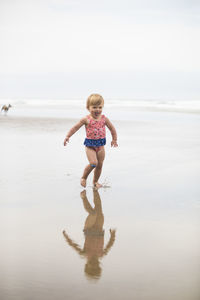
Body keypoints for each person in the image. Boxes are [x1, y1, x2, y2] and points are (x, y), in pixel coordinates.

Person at [64, 94, 118, 188]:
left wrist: (114, 139)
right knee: (94, 163)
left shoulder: (104, 119)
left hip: (101, 146)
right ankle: (84, 177)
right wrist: (68, 136)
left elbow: (112, 129)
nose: (97, 110)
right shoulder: (86, 119)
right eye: (94, 107)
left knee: (100, 165)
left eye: (100, 107)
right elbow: (75, 128)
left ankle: (95, 182)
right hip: (90, 146)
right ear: (88, 107)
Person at [63, 189, 116, 280]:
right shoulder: (101, 254)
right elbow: (109, 245)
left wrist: (66, 236)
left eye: (91, 265)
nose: (94, 264)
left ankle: (83, 197)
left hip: (89, 228)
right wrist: (113, 235)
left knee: (93, 213)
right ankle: (95, 190)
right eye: (95, 266)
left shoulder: (85, 254)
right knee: (98, 207)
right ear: (98, 266)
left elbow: (73, 245)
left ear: (87, 265)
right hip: (99, 228)